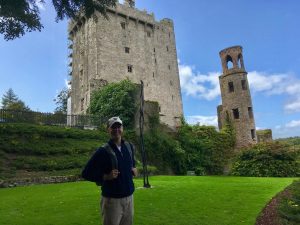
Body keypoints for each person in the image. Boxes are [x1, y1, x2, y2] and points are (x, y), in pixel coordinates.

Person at [82, 116, 137, 225]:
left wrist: (134, 169)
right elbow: (86, 173)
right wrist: (106, 177)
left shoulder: (129, 147)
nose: (116, 130)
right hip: (112, 201)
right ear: (108, 130)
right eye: (113, 127)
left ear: (122, 129)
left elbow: (132, 163)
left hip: (129, 198)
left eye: (118, 126)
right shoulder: (103, 151)